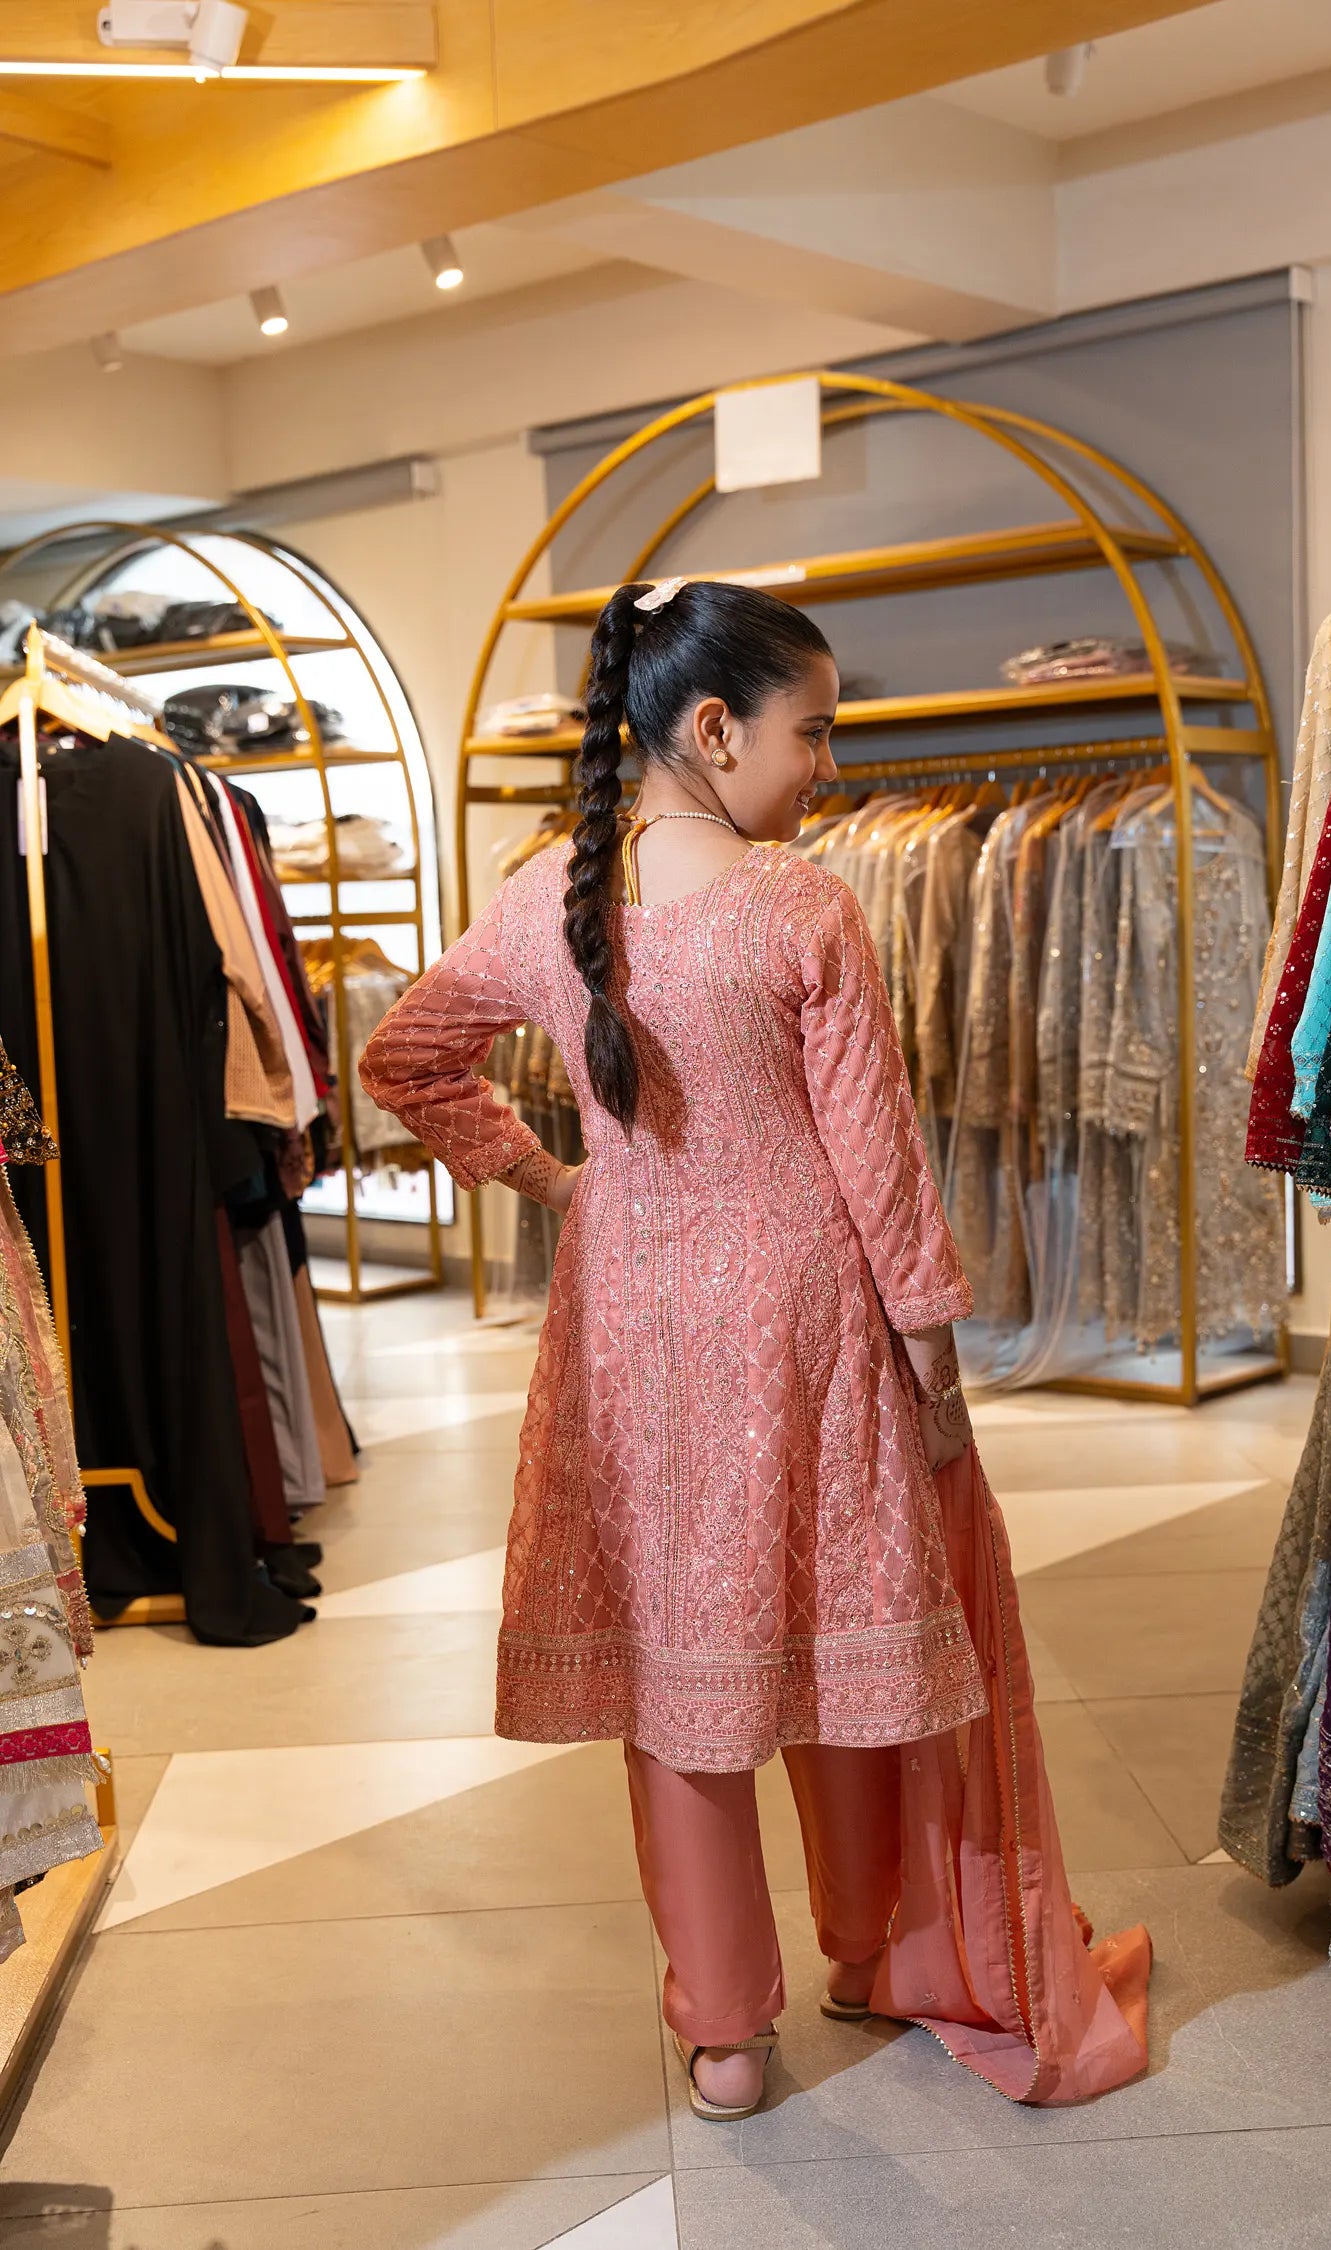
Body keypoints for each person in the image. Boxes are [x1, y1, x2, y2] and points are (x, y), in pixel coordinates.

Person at [360, 577, 1150, 2121]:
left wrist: (553, 1180)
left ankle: (724, 2033)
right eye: (817, 731)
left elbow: (407, 1056)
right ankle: (873, 1950)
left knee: (682, 1686)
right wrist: (937, 1369)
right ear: (715, 729)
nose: (831, 766)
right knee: (835, 1654)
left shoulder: (549, 895)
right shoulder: (800, 907)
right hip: (805, 1328)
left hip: (632, 1336)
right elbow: (879, 1163)